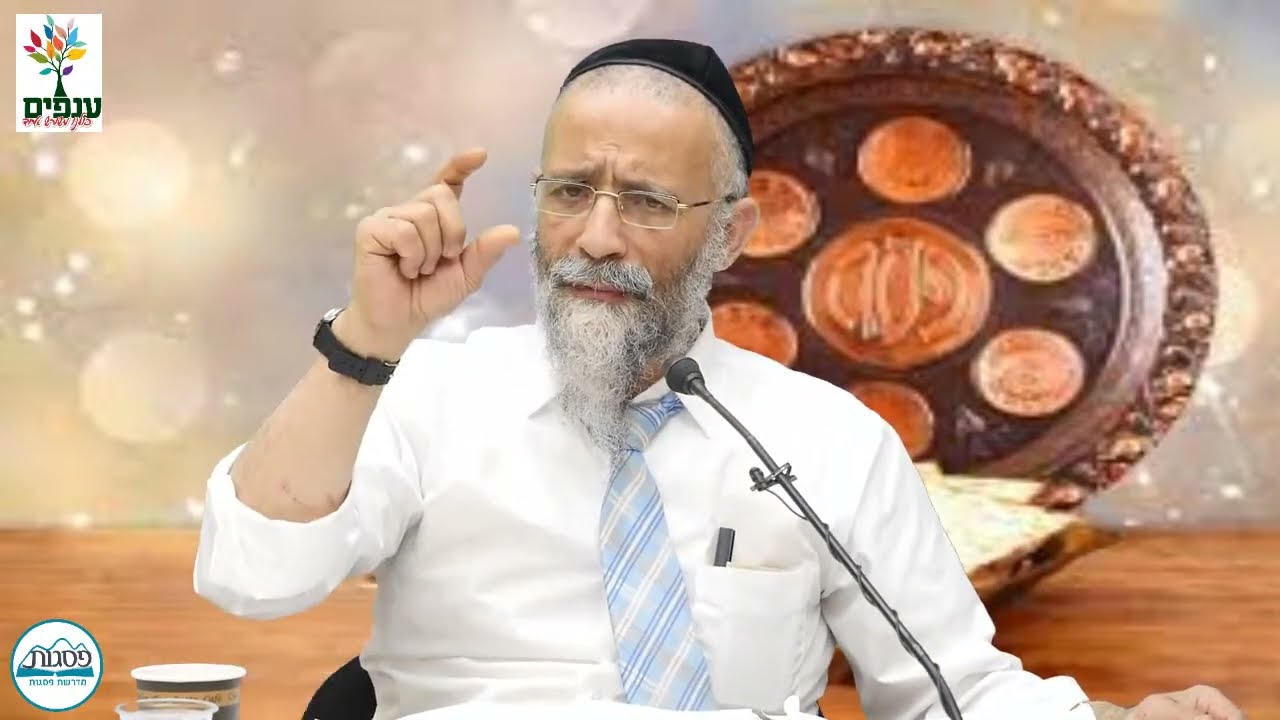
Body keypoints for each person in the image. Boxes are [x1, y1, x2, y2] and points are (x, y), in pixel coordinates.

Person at [193, 38, 1244, 720]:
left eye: (647, 202)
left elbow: (947, 690)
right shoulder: (422, 391)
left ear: (732, 233)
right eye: (570, 192)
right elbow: (250, 578)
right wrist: (364, 343)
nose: (596, 238)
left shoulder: (826, 439)